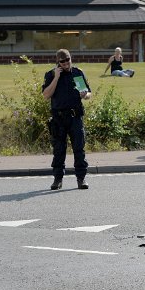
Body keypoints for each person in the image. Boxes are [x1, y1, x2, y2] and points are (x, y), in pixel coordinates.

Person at [42, 48, 92, 190]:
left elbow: (88, 93)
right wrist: (56, 78)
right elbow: (46, 95)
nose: (65, 63)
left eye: (67, 60)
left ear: (71, 59)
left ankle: (81, 179)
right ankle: (58, 179)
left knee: (79, 149)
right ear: (57, 62)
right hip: (58, 118)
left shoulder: (77, 73)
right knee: (59, 150)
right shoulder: (51, 75)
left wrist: (85, 95)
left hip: (75, 116)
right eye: (62, 61)